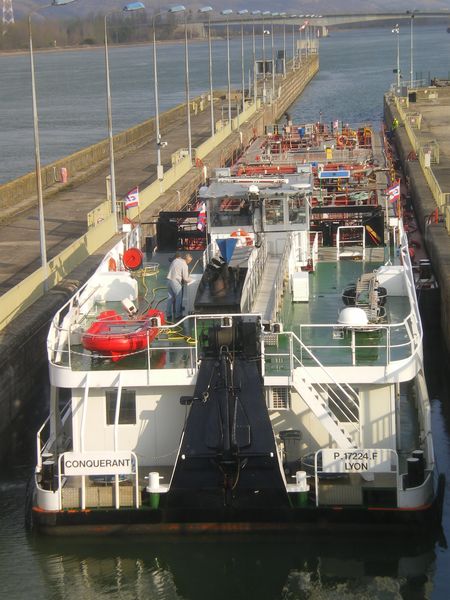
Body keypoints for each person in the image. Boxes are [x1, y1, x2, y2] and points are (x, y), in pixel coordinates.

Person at [166, 253, 193, 321]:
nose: (189, 263)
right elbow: (185, 278)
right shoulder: (184, 265)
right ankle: (178, 315)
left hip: (169, 280)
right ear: (187, 260)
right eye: (189, 261)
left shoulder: (176, 260)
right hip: (175, 282)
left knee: (170, 298)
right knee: (178, 298)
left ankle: (168, 314)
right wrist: (191, 279)